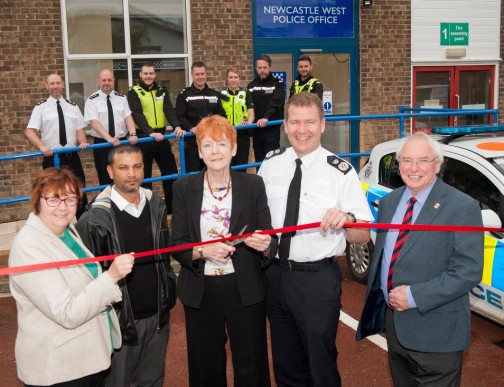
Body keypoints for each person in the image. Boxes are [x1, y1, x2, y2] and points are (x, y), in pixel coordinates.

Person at [258, 92, 373, 387]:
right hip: (275, 277)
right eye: (295, 122)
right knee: (285, 365)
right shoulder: (270, 164)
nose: (302, 129)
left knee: (320, 365)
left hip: (317, 281)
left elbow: (362, 236)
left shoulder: (341, 172)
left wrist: (347, 219)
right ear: (285, 125)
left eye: (310, 122)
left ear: (323, 125)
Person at [356, 132, 484, 387]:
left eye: (423, 160)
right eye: (406, 160)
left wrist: (414, 296)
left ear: (437, 165)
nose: (414, 168)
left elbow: (468, 270)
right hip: (395, 327)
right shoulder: (390, 202)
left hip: (437, 333)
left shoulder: (463, 207)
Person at [171, 115, 276, 387]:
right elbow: (177, 244)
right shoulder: (183, 188)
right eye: (208, 145)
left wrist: (266, 246)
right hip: (201, 290)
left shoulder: (253, 185)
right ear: (199, 152)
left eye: (221, 144)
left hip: (245, 288)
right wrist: (201, 251)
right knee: (206, 367)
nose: (215, 151)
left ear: (234, 148)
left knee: (251, 366)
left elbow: (269, 236)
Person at [9, 167, 134, 386]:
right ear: (37, 201)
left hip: (84, 358)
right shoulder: (28, 245)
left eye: (69, 199)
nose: (63, 208)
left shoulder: (66, 231)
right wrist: (111, 276)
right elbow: (67, 313)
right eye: (53, 200)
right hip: (60, 368)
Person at [76, 144, 176, 387]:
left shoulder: (157, 206)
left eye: (137, 166)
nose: (132, 173)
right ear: (110, 171)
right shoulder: (92, 219)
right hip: (118, 322)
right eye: (123, 168)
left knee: (152, 381)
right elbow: (88, 280)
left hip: (157, 316)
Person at [26, 73, 89, 218]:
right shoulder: (40, 108)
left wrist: (83, 141)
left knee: (79, 190)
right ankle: (59, 227)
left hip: (72, 156)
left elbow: (79, 129)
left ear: (63, 85)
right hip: (52, 158)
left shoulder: (73, 107)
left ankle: (83, 226)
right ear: (47, 86)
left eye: (58, 83)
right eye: (52, 84)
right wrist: (42, 146)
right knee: (54, 193)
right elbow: (30, 131)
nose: (56, 86)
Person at [128, 62, 181, 214]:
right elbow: (136, 114)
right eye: (145, 73)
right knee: (145, 177)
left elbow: (169, 110)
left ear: (155, 74)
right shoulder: (134, 92)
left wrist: (176, 126)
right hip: (144, 138)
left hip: (161, 136)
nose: (148, 76)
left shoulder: (161, 90)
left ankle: (171, 209)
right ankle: (147, 211)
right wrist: (150, 132)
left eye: (151, 73)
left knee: (171, 173)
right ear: (140, 75)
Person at [84, 69, 138, 186]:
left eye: (109, 80)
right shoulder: (92, 100)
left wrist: (133, 134)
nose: (107, 83)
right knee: (105, 178)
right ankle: (108, 204)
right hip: (102, 144)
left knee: (124, 176)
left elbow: (128, 117)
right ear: (99, 81)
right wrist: (109, 138)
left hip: (121, 142)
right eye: (104, 80)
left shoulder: (121, 98)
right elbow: (94, 122)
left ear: (113, 81)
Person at [176, 61, 227, 172]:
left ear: (206, 74)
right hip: (192, 143)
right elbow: (180, 116)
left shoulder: (214, 94)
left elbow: (222, 115)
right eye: (197, 74)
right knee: (193, 174)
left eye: (202, 74)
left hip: (212, 142)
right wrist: (191, 128)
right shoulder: (184, 95)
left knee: (212, 172)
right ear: (192, 75)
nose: (200, 77)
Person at [247, 54, 285, 164]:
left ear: (270, 68)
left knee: (272, 161)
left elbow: (275, 103)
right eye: (259, 68)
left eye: (265, 68)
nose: (262, 70)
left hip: (271, 130)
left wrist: (266, 117)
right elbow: (249, 107)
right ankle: (261, 181)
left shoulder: (277, 85)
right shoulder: (251, 86)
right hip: (257, 131)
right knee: (259, 162)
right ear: (256, 68)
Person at [220, 66, 255, 170]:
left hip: (242, 135)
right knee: (226, 167)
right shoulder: (221, 94)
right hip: (225, 135)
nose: (233, 80)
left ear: (239, 79)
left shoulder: (245, 93)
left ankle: (240, 186)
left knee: (241, 167)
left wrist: (248, 122)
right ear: (227, 79)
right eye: (231, 77)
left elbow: (251, 112)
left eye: (236, 77)